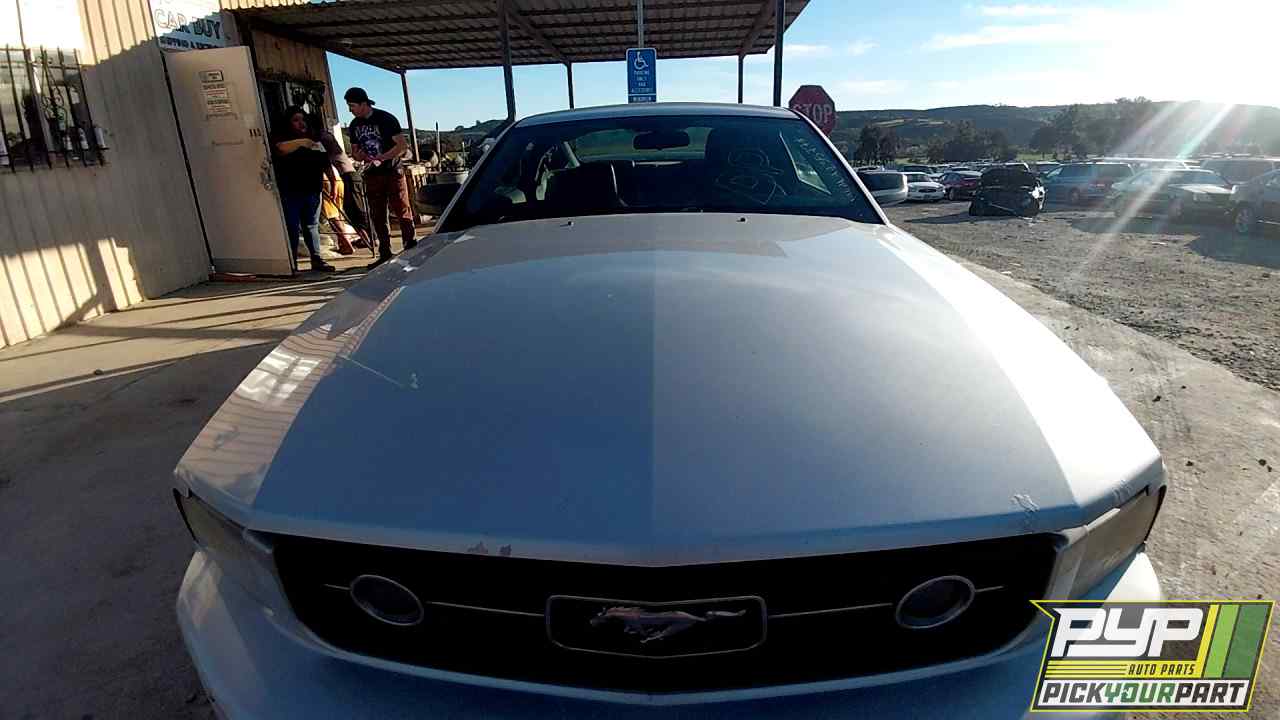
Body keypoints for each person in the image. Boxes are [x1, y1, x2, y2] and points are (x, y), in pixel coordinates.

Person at [344, 87, 416, 268]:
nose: (350, 110)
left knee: (401, 208)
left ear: (363, 103)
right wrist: (360, 156)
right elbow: (355, 151)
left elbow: (401, 145)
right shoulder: (354, 125)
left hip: (392, 170)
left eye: (352, 105)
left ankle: (410, 246)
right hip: (372, 174)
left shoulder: (386, 118)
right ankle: (385, 252)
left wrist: (383, 157)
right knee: (377, 213)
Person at [272, 106, 336, 273]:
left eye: (303, 119)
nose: (301, 123)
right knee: (292, 227)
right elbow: (280, 148)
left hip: (313, 189)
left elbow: (326, 163)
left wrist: (333, 182)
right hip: (291, 190)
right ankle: (291, 263)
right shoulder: (283, 138)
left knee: (311, 226)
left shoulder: (314, 139)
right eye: (296, 120)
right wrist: (302, 142)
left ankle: (317, 259)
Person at [319, 127, 371, 249]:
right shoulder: (328, 138)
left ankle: (364, 239)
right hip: (345, 176)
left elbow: (325, 161)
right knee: (351, 211)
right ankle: (366, 239)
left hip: (344, 177)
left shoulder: (321, 139)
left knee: (350, 212)